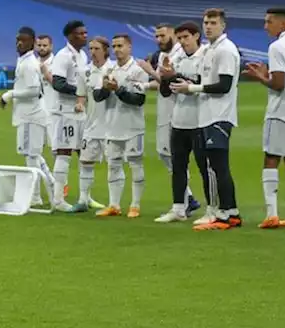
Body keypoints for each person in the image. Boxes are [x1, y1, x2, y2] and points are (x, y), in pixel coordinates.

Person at [171, 8, 242, 231]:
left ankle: (220, 215)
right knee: (218, 167)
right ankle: (231, 212)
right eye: (205, 22)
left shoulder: (225, 50)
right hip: (208, 115)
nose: (208, 26)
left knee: (216, 167)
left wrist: (191, 88)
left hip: (218, 116)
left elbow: (224, 85)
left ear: (223, 25)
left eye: (213, 22)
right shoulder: (211, 50)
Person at [244, 7, 285, 228]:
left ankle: (272, 214)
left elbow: (279, 84)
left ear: (282, 24)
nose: (265, 26)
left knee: (271, 158)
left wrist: (260, 77)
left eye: (269, 22)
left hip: (282, 110)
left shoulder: (276, 47)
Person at [155, 22, 212, 223]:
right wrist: (165, 78)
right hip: (178, 119)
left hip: (200, 119)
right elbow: (165, 92)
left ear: (196, 36)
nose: (182, 42)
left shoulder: (206, 56)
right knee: (178, 166)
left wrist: (175, 76)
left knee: (204, 167)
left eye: (186, 37)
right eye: (179, 38)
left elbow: (205, 85)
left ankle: (212, 209)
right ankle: (179, 208)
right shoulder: (176, 58)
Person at [142, 23, 200, 214]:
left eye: (163, 35)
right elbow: (162, 84)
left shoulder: (177, 55)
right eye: (156, 36)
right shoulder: (164, 56)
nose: (159, 40)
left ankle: (185, 200)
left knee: (172, 155)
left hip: (175, 110)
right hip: (166, 108)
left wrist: (150, 72)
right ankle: (187, 198)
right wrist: (143, 84)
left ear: (173, 35)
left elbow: (169, 82)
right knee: (166, 154)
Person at [92, 34, 149, 218]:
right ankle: (114, 205)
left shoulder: (138, 70)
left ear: (129, 47)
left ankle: (135, 205)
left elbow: (138, 100)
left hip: (133, 126)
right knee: (113, 165)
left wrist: (118, 89)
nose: (117, 49)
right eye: (114, 46)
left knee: (134, 163)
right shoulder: (109, 69)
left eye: (120, 46)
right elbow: (97, 97)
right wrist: (106, 89)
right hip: (112, 126)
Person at [0, 26, 58, 208]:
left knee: (31, 156)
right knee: (33, 155)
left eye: (23, 40)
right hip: (29, 114)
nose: (19, 43)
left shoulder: (29, 64)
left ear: (32, 43)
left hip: (31, 115)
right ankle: (53, 185)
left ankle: (35, 196)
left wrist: (10, 94)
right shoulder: (24, 61)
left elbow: (33, 91)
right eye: (18, 39)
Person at [49, 20, 89, 209]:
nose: (85, 36)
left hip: (80, 111)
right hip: (65, 112)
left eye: (85, 33)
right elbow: (58, 84)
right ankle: (58, 199)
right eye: (81, 33)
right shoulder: (63, 56)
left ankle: (84, 197)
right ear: (70, 36)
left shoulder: (82, 56)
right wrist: (82, 90)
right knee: (64, 153)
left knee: (85, 154)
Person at [76, 37, 113, 212]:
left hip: (111, 126)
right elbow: (81, 94)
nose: (92, 52)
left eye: (96, 48)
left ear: (106, 50)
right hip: (91, 124)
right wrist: (80, 104)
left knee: (114, 164)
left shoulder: (113, 69)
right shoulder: (84, 71)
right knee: (85, 162)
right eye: (90, 48)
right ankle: (83, 200)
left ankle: (115, 203)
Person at [36, 35, 56, 155]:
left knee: (55, 146)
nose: (42, 48)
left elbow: (57, 84)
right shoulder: (32, 62)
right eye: (39, 45)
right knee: (36, 146)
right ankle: (39, 173)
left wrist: (45, 72)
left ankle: (58, 173)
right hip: (36, 109)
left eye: (45, 45)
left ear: (51, 46)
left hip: (53, 108)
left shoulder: (57, 62)